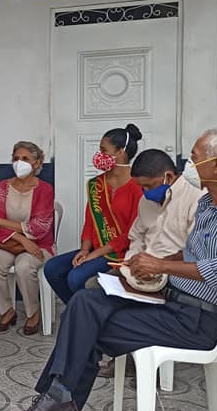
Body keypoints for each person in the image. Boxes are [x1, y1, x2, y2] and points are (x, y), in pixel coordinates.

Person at [7, 128, 217, 411]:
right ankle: (57, 404)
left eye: (194, 158)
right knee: (84, 303)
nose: (189, 166)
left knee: (85, 327)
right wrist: (154, 266)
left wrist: (163, 266)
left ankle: (58, 407)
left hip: (201, 320)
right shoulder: (208, 205)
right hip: (172, 301)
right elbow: (191, 253)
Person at [97, 148, 205, 378]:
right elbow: (136, 237)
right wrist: (132, 263)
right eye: (141, 187)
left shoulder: (195, 198)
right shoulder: (146, 202)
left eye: (149, 186)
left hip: (175, 273)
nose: (145, 192)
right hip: (143, 268)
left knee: (133, 304)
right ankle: (119, 355)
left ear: (168, 176)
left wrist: (158, 266)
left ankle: (144, 366)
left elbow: (194, 251)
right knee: (95, 290)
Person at [42, 124, 144, 305]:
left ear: (120, 152)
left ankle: (85, 312)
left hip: (122, 252)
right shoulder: (96, 184)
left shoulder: (138, 187)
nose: (99, 155)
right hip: (97, 248)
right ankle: (79, 311)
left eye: (104, 150)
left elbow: (130, 233)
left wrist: (93, 255)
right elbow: (90, 221)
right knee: (52, 268)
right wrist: (84, 250)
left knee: (76, 278)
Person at [0, 141, 55, 334]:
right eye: (16, 158)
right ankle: (7, 311)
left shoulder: (45, 189)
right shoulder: (3, 187)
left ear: (37, 163)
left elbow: (39, 228)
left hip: (40, 245)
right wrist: (22, 239)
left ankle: (33, 314)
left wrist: (3, 222)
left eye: (25, 159)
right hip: (9, 243)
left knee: (24, 266)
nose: (19, 163)